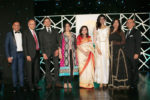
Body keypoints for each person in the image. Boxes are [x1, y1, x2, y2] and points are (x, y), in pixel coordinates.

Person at [39, 17, 61, 89]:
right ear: (44, 23)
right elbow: (41, 44)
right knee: (47, 68)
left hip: (55, 51)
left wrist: (58, 49)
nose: (47, 23)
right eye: (45, 21)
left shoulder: (55, 30)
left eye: (48, 21)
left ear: (50, 22)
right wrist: (43, 53)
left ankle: (57, 82)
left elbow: (59, 41)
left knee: (56, 67)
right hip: (46, 52)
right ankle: (49, 83)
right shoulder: (41, 32)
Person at [5, 21, 24, 93]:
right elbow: (6, 46)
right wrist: (8, 56)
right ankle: (15, 86)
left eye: (18, 25)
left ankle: (22, 86)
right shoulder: (9, 34)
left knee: (21, 71)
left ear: (20, 26)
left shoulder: (22, 34)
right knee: (14, 71)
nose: (17, 26)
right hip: (13, 55)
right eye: (15, 25)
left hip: (21, 54)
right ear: (13, 26)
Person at [109, 19, 128, 88]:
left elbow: (123, 42)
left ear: (119, 24)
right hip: (111, 51)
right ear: (112, 23)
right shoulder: (110, 31)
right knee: (112, 66)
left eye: (117, 22)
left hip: (118, 51)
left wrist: (115, 43)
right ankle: (112, 83)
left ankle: (119, 83)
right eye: (114, 22)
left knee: (118, 67)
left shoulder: (121, 32)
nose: (116, 24)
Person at [59, 22, 78, 88]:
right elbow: (60, 45)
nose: (67, 27)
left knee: (71, 68)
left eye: (68, 26)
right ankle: (65, 82)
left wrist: (76, 54)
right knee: (65, 67)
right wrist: (60, 53)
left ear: (70, 27)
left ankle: (69, 82)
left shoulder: (73, 35)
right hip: (65, 53)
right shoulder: (62, 35)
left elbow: (75, 45)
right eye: (66, 26)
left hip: (72, 54)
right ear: (64, 27)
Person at [23, 19, 41, 91]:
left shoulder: (36, 32)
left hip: (37, 53)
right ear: (28, 25)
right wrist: (27, 55)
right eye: (31, 24)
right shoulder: (25, 32)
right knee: (30, 70)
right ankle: (30, 85)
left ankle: (35, 84)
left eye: (34, 24)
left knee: (36, 70)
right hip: (30, 55)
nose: (33, 25)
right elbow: (24, 44)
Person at [94, 15, 110, 88]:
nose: (102, 20)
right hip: (99, 47)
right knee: (99, 65)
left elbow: (108, 39)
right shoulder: (96, 28)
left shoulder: (108, 28)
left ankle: (105, 81)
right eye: (100, 19)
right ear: (98, 20)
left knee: (105, 64)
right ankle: (100, 81)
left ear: (105, 20)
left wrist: (108, 49)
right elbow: (94, 40)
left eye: (103, 19)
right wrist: (97, 48)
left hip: (106, 47)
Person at [124, 19, 141, 89]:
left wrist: (137, 53)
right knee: (128, 69)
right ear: (126, 24)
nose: (129, 24)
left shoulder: (136, 32)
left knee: (134, 69)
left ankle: (134, 83)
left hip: (133, 54)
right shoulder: (126, 32)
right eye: (127, 23)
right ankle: (130, 82)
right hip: (126, 54)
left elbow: (138, 43)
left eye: (130, 22)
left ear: (133, 24)